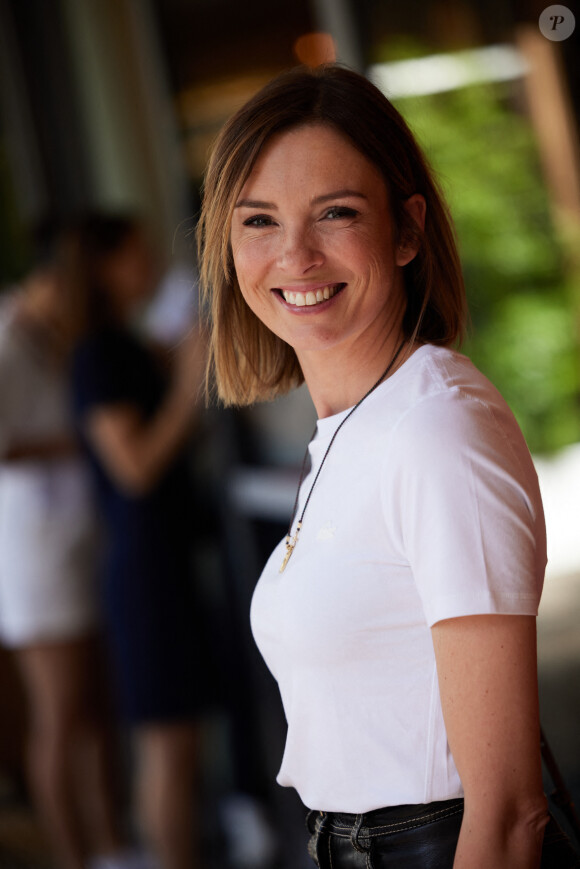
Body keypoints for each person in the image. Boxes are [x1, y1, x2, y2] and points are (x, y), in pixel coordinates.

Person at [196, 64, 580, 868]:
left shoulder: (436, 428)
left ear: (406, 231)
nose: (294, 255)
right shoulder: (352, 427)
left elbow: (510, 813)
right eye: (259, 221)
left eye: (335, 213)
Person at [64, 213, 207, 869]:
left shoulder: (125, 344)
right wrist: (186, 386)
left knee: (181, 741)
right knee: (168, 744)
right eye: (136, 252)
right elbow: (134, 466)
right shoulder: (97, 353)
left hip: (166, 559)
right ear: (105, 266)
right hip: (144, 570)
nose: (149, 263)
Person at [0, 220, 125, 869]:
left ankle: (110, 847)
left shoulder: (48, 335)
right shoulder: (6, 336)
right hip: (34, 554)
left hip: (76, 541)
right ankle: (75, 856)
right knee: (60, 714)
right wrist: (82, 441)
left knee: (95, 708)